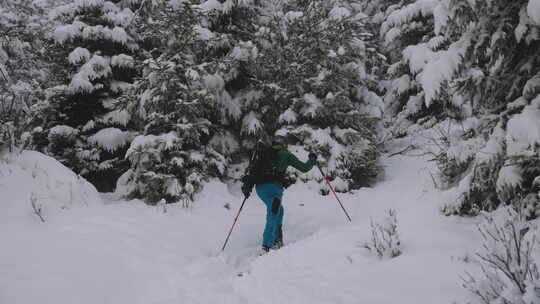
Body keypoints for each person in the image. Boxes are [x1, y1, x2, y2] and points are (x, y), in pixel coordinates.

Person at [241, 136, 317, 254]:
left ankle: (277, 240)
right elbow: (304, 168)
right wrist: (312, 159)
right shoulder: (285, 154)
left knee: (279, 210)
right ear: (284, 145)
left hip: (260, 189)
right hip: (274, 189)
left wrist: (248, 185)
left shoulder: (264, 154)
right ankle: (267, 245)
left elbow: (254, 170)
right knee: (273, 211)